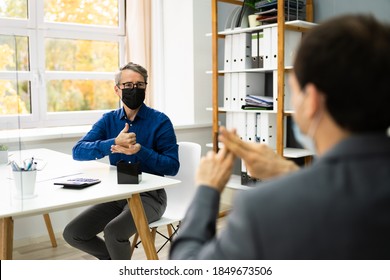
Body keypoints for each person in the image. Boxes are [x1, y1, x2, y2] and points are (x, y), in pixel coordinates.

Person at [170, 14, 390, 259]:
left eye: (292, 90)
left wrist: (206, 190)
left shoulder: (264, 209)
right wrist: (288, 173)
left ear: (312, 101)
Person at [63, 62, 180, 260]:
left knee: (114, 232)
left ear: (145, 87)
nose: (134, 89)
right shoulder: (108, 120)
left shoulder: (160, 121)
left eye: (139, 85)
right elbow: (78, 151)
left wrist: (140, 151)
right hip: (118, 195)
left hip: (150, 197)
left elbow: (172, 166)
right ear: (117, 90)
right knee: (73, 233)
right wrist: (112, 142)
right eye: (127, 85)